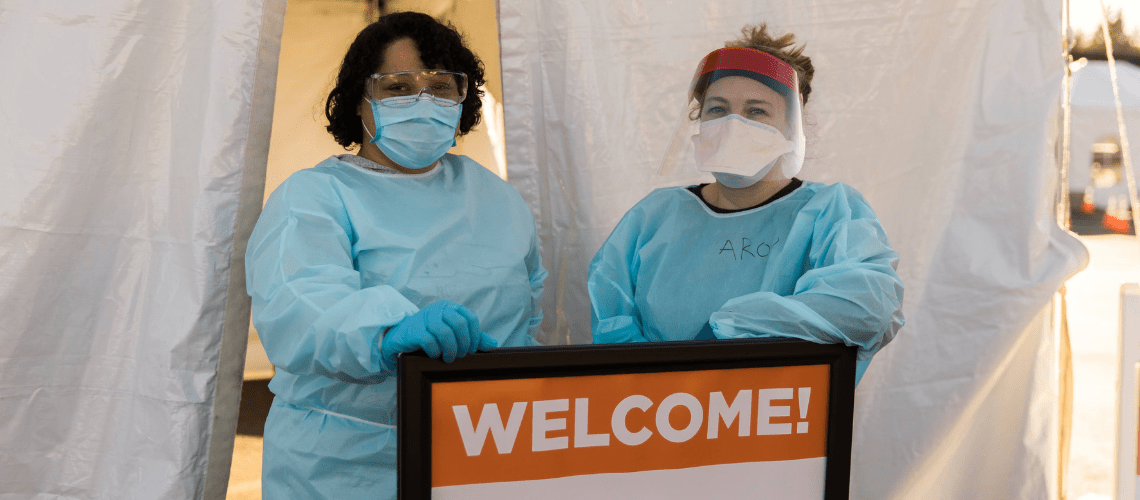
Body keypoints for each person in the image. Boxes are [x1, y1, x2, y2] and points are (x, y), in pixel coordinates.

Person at [245, 12, 546, 499]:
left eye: (443, 87)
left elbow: (527, 310)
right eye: (398, 87)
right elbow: (299, 304)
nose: (423, 103)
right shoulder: (313, 197)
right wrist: (385, 333)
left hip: (484, 451)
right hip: (348, 465)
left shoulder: (496, 198)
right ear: (358, 98)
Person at [588, 24, 903, 384]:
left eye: (756, 111)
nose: (733, 125)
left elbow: (867, 307)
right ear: (699, 118)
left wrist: (730, 327)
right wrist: (658, 386)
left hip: (776, 425)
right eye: (718, 109)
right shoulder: (654, 217)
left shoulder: (830, 212)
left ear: (790, 125)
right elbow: (612, 331)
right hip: (658, 419)